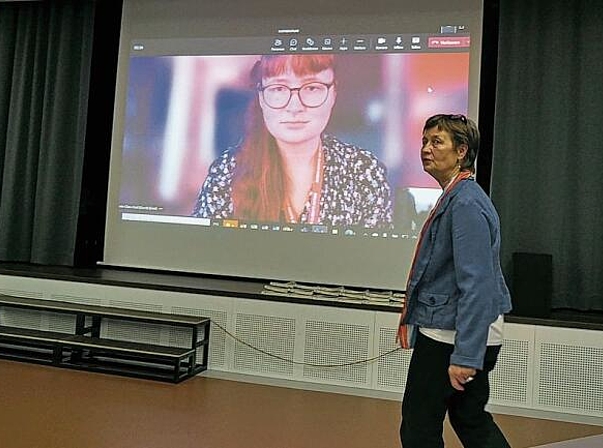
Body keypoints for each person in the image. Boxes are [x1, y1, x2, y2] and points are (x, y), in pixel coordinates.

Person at [397, 114, 512, 447]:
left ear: (462, 151)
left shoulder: (465, 204)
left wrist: (465, 356)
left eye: (437, 142)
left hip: (451, 336)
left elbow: (477, 285)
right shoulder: (460, 196)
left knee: (419, 426)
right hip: (460, 332)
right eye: (424, 141)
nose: (426, 149)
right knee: (470, 419)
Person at [193, 54, 392, 228]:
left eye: (312, 87)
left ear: (333, 93)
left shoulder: (363, 172)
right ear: (262, 98)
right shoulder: (227, 173)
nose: (295, 106)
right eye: (279, 88)